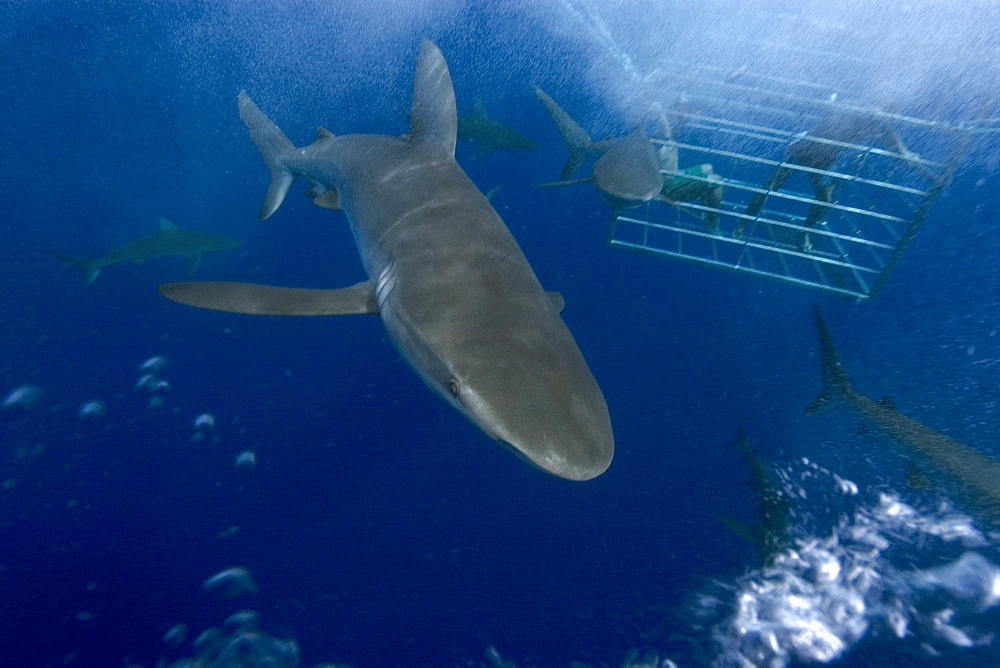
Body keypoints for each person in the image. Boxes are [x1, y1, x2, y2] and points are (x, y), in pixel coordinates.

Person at [736, 101, 921, 243]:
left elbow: (890, 136)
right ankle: (742, 223)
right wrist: (869, 111)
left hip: (825, 158)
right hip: (804, 147)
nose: (886, 118)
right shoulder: (857, 108)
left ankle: (805, 233)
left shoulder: (878, 122)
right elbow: (840, 108)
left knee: (825, 198)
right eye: (887, 113)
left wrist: (905, 153)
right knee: (770, 187)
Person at [655, 102, 725, 234]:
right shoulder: (659, 144)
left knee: (707, 167)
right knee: (718, 182)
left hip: (675, 175)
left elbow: (670, 132)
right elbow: (666, 130)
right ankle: (712, 223)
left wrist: (683, 121)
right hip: (671, 188)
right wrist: (660, 114)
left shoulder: (660, 137)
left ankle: (705, 207)